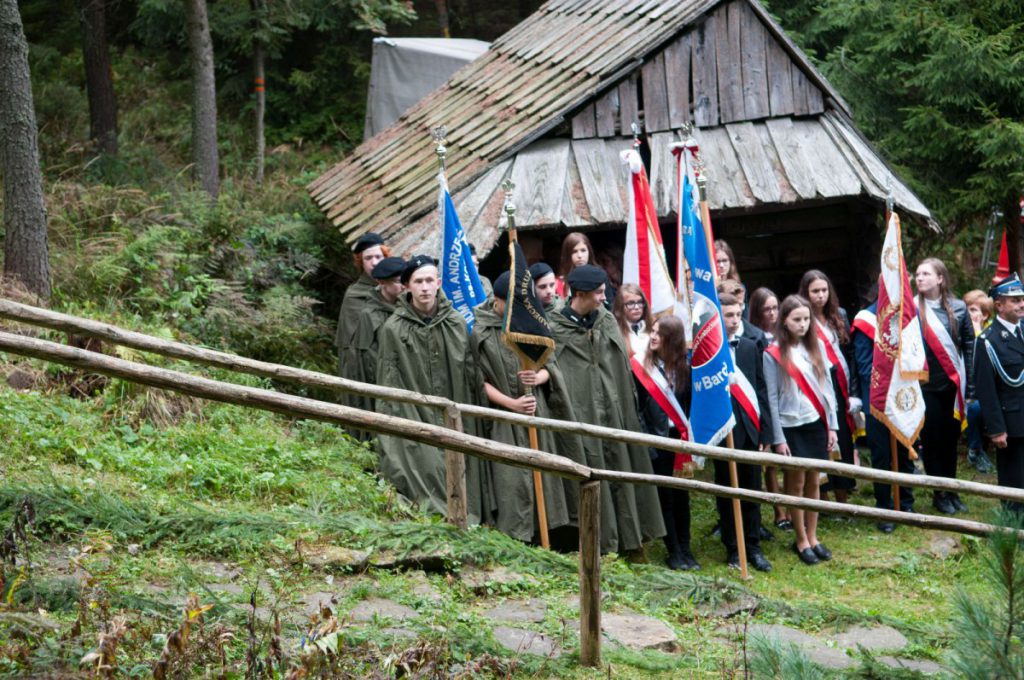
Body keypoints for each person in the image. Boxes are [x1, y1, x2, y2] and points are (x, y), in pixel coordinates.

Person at [550, 264, 666, 555]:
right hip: (581, 417)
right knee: (590, 477)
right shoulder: (555, 328)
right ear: (580, 294)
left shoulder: (606, 321)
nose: (604, 298)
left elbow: (619, 370)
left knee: (622, 471)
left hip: (615, 415)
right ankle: (598, 545)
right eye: (599, 293)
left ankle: (630, 542)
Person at [375, 255, 491, 523]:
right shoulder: (393, 328)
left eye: (429, 280)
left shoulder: (456, 322)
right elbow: (389, 379)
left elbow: (470, 373)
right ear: (407, 286)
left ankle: (465, 516)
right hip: (415, 411)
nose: (425, 287)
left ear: (439, 283)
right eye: (418, 282)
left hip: (455, 410)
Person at [470, 271, 584, 542]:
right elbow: (478, 380)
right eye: (509, 304)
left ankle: (548, 536)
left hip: (535, 411)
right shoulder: (481, 332)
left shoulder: (531, 324)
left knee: (543, 477)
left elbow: (550, 366)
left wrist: (538, 377)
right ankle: (516, 538)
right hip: (504, 418)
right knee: (512, 479)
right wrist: (512, 404)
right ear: (497, 301)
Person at [764, 295, 839, 566]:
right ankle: (801, 539)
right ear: (784, 320)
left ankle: (814, 536)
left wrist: (832, 425)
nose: (803, 324)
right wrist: (778, 438)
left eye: (807, 319)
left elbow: (827, 388)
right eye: (797, 319)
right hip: (790, 425)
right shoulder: (773, 353)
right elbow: (771, 398)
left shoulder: (817, 347)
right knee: (795, 484)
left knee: (814, 481)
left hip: (815, 421)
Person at [633, 315, 699, 570]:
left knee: (682, 496)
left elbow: (692, 407)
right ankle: (674, 551)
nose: (653, 336)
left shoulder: (686, 370)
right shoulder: (641, 369)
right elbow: (638, 410)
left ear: (672, 339)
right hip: (658, 441)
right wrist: (648, 444)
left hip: (681, 441)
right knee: (666, 497)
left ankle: (687, 548)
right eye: (652, 331)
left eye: (659, 333)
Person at [850, 288, 916, 533]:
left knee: (905, 448)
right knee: (881, 455)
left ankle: (906, 502)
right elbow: (864, 365)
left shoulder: (908, 316)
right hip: (878, 399)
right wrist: (888, 386)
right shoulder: (866, 319)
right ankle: (884, 507)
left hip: (905, 397)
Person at [717, 293, 773, 572]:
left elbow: (761, 389)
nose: (734, 320)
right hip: (724, 431)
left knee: (752, 489)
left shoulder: (751, 347)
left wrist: (765, 433)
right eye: (728, 315)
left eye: (738, 314)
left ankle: (753, 545)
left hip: (750, 429)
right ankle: (733, 547)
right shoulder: (709, 351)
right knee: (728, 491)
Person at [915, 257, 974, 514]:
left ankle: (952, 489)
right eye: (918, 274)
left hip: (953, 386)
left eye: (926, 274)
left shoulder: (959, 308)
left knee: (950, 440)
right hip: (925, 387)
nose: (919, 278)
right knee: (932, 440)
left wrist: (970, 386)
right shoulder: (911, 309)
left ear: (940, 278)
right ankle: (939, 492)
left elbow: (969, 346)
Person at [799, 270, 860, 505]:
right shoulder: (801, 317)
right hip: (816, 384)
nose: (820, 295)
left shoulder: (839, 315)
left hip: (840, 383)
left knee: (842, 438)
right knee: (821, 438)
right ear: (806, 293)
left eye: (824, 290)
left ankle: (843, 496)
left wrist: (853, 391)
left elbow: (850, 353)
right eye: (815, 291)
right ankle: (822, 497)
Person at [973, 273, 1024, 516]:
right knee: (1014, 479)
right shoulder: (988, 340)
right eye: (1015, 300)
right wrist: (996, 429)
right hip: (1012, 424)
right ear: (999, 305)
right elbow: (986, 390)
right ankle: (1015, 527)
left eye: (1022, 299)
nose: (1021, 304)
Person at [341, 256, 405, 437]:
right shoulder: (369, 314)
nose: (403, 286)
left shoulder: (406, 306)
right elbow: (368, 357)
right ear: (382, 283)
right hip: (383, 381)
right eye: (398, 282)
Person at [749, 287, 788, 528]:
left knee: (790, 457)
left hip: (786, 399)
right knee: (771, 460)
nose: (773, 313)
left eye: (775, 308)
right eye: (767, 309)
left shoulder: (785, 333)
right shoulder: (753, 336)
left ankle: (794, 507)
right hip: (765, 399)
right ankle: (779, 511)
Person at [336, 232, 388, 374]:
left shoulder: (397, 288)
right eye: (368, 258)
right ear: (361, 262)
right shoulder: (354, 295)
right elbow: (350, 342)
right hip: (362, 367)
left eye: (378, 257)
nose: (374, 263)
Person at [963, 289, 996, 474]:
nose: (969, 314)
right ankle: (975, 450)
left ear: (985, 315)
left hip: (990, 389)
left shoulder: (992, 331)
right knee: (973, 408)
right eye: (967, 309)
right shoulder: (960, 330)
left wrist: (976, 331)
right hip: (966, 390)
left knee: (977, 407)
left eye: (974, 310)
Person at [613, 283, 654, 357]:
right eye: (631, 303)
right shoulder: (614, 331)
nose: (637, 307)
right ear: (620, 306)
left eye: (640, 302)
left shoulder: (654, 327)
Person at [555, 232, 595, 299]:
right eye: (574, 251)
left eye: (583, 250)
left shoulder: (599, 277)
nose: (579, 256)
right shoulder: (558, 284)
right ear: (567, 255)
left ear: (589, 252)